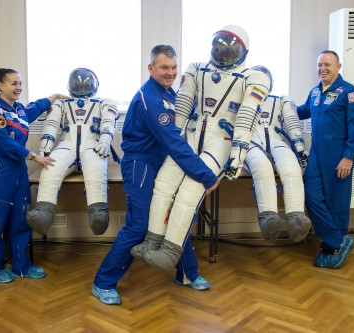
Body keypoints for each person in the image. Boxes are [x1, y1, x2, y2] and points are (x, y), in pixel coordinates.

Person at [132, 25, 271, 271]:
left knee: (189, 192)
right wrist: (175, 134)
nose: (223, 53)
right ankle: (152, 239)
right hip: (192, 134)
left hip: (221, 141)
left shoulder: (254, 77)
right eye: (219, 46)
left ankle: (170, 251)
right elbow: (183, 104)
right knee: (163, 183)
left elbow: (247, 115)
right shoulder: (197, 69)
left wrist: (238, 155)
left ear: (244, 51)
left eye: (230, 48)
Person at [92, 45, 220, 305]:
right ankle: (103, 282)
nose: (170, 72)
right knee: (139, 226)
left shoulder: (168, 93)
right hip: (141, 165)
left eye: (173, 67)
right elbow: (173, 141)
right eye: (164, 67)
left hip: (162, 162)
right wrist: (206, 176)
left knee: (174, 216)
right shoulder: (149, 97)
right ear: (151, 68)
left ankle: (186, 273)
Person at [0, 68, 69, 283]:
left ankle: (21, 266)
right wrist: (34, 157)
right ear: (0, 85)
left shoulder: (18, 109)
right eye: (13, 83)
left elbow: (34, 108)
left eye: (20, 83)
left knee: (20, 220)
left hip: (17, 171)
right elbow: (4, 143)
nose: (18, 87)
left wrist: (54, 97)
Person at [27, 68, 118, 236]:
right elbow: (52, 124)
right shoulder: (61, 104)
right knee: (50, 167)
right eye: (77, 84)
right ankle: (43, 214)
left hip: (93, 144)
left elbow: (108, 121)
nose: (81, 87)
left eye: (86, 84)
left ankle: (98, 215)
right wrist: (46, 145)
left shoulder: (104, 102)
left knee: (96, 170)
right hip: (66, 144)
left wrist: (105, 140)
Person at [297, 50, 354, 269]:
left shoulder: (350, 92)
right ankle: (337, 241)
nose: (322, 69)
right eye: (319, 65)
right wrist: (279, 106)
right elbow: (303, 111)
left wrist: (348, 156)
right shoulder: (316, 92)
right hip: (317, 153)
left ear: (338, 67)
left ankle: (332, 248)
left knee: (337, 202)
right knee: (312, 196)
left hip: (339, 155)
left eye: (327, 64)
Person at [244, 66, 311, 243]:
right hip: (251, 142)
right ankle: (269, 218)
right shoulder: (240, 102)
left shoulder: (281, 100)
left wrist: (300, 151)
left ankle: (297, 217)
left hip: (276, 140)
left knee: (291, 168)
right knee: (263, 169)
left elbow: (292, 124)